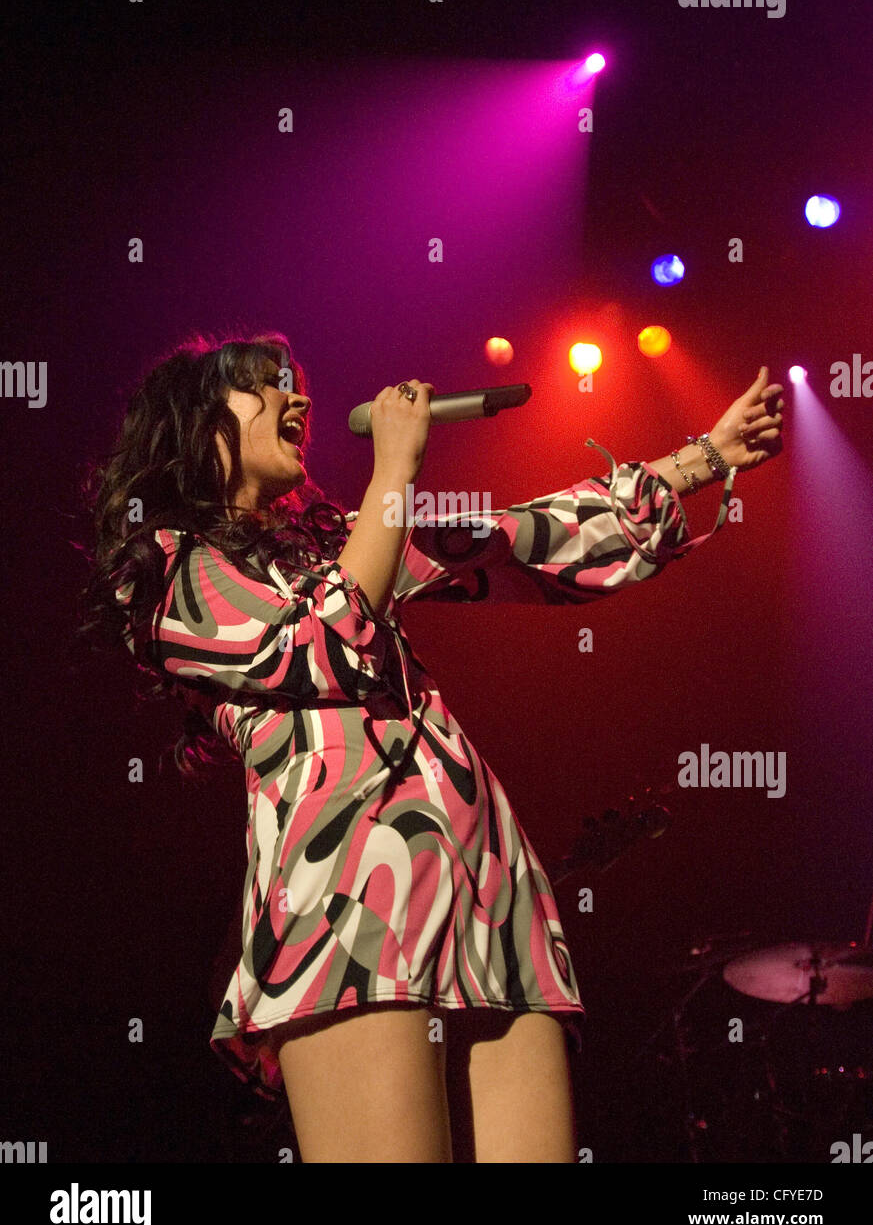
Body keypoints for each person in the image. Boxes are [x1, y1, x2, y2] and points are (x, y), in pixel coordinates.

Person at [79, 331, 784, 1163]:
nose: (297, 399)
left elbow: (519, 539)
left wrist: (700, 458)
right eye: (264, 386)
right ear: (198, 424)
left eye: (296, 383)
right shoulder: (167, 571)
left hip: (488, 889)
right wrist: (391, 477)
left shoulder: (341, 542)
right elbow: (321, 647)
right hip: (349, 905)